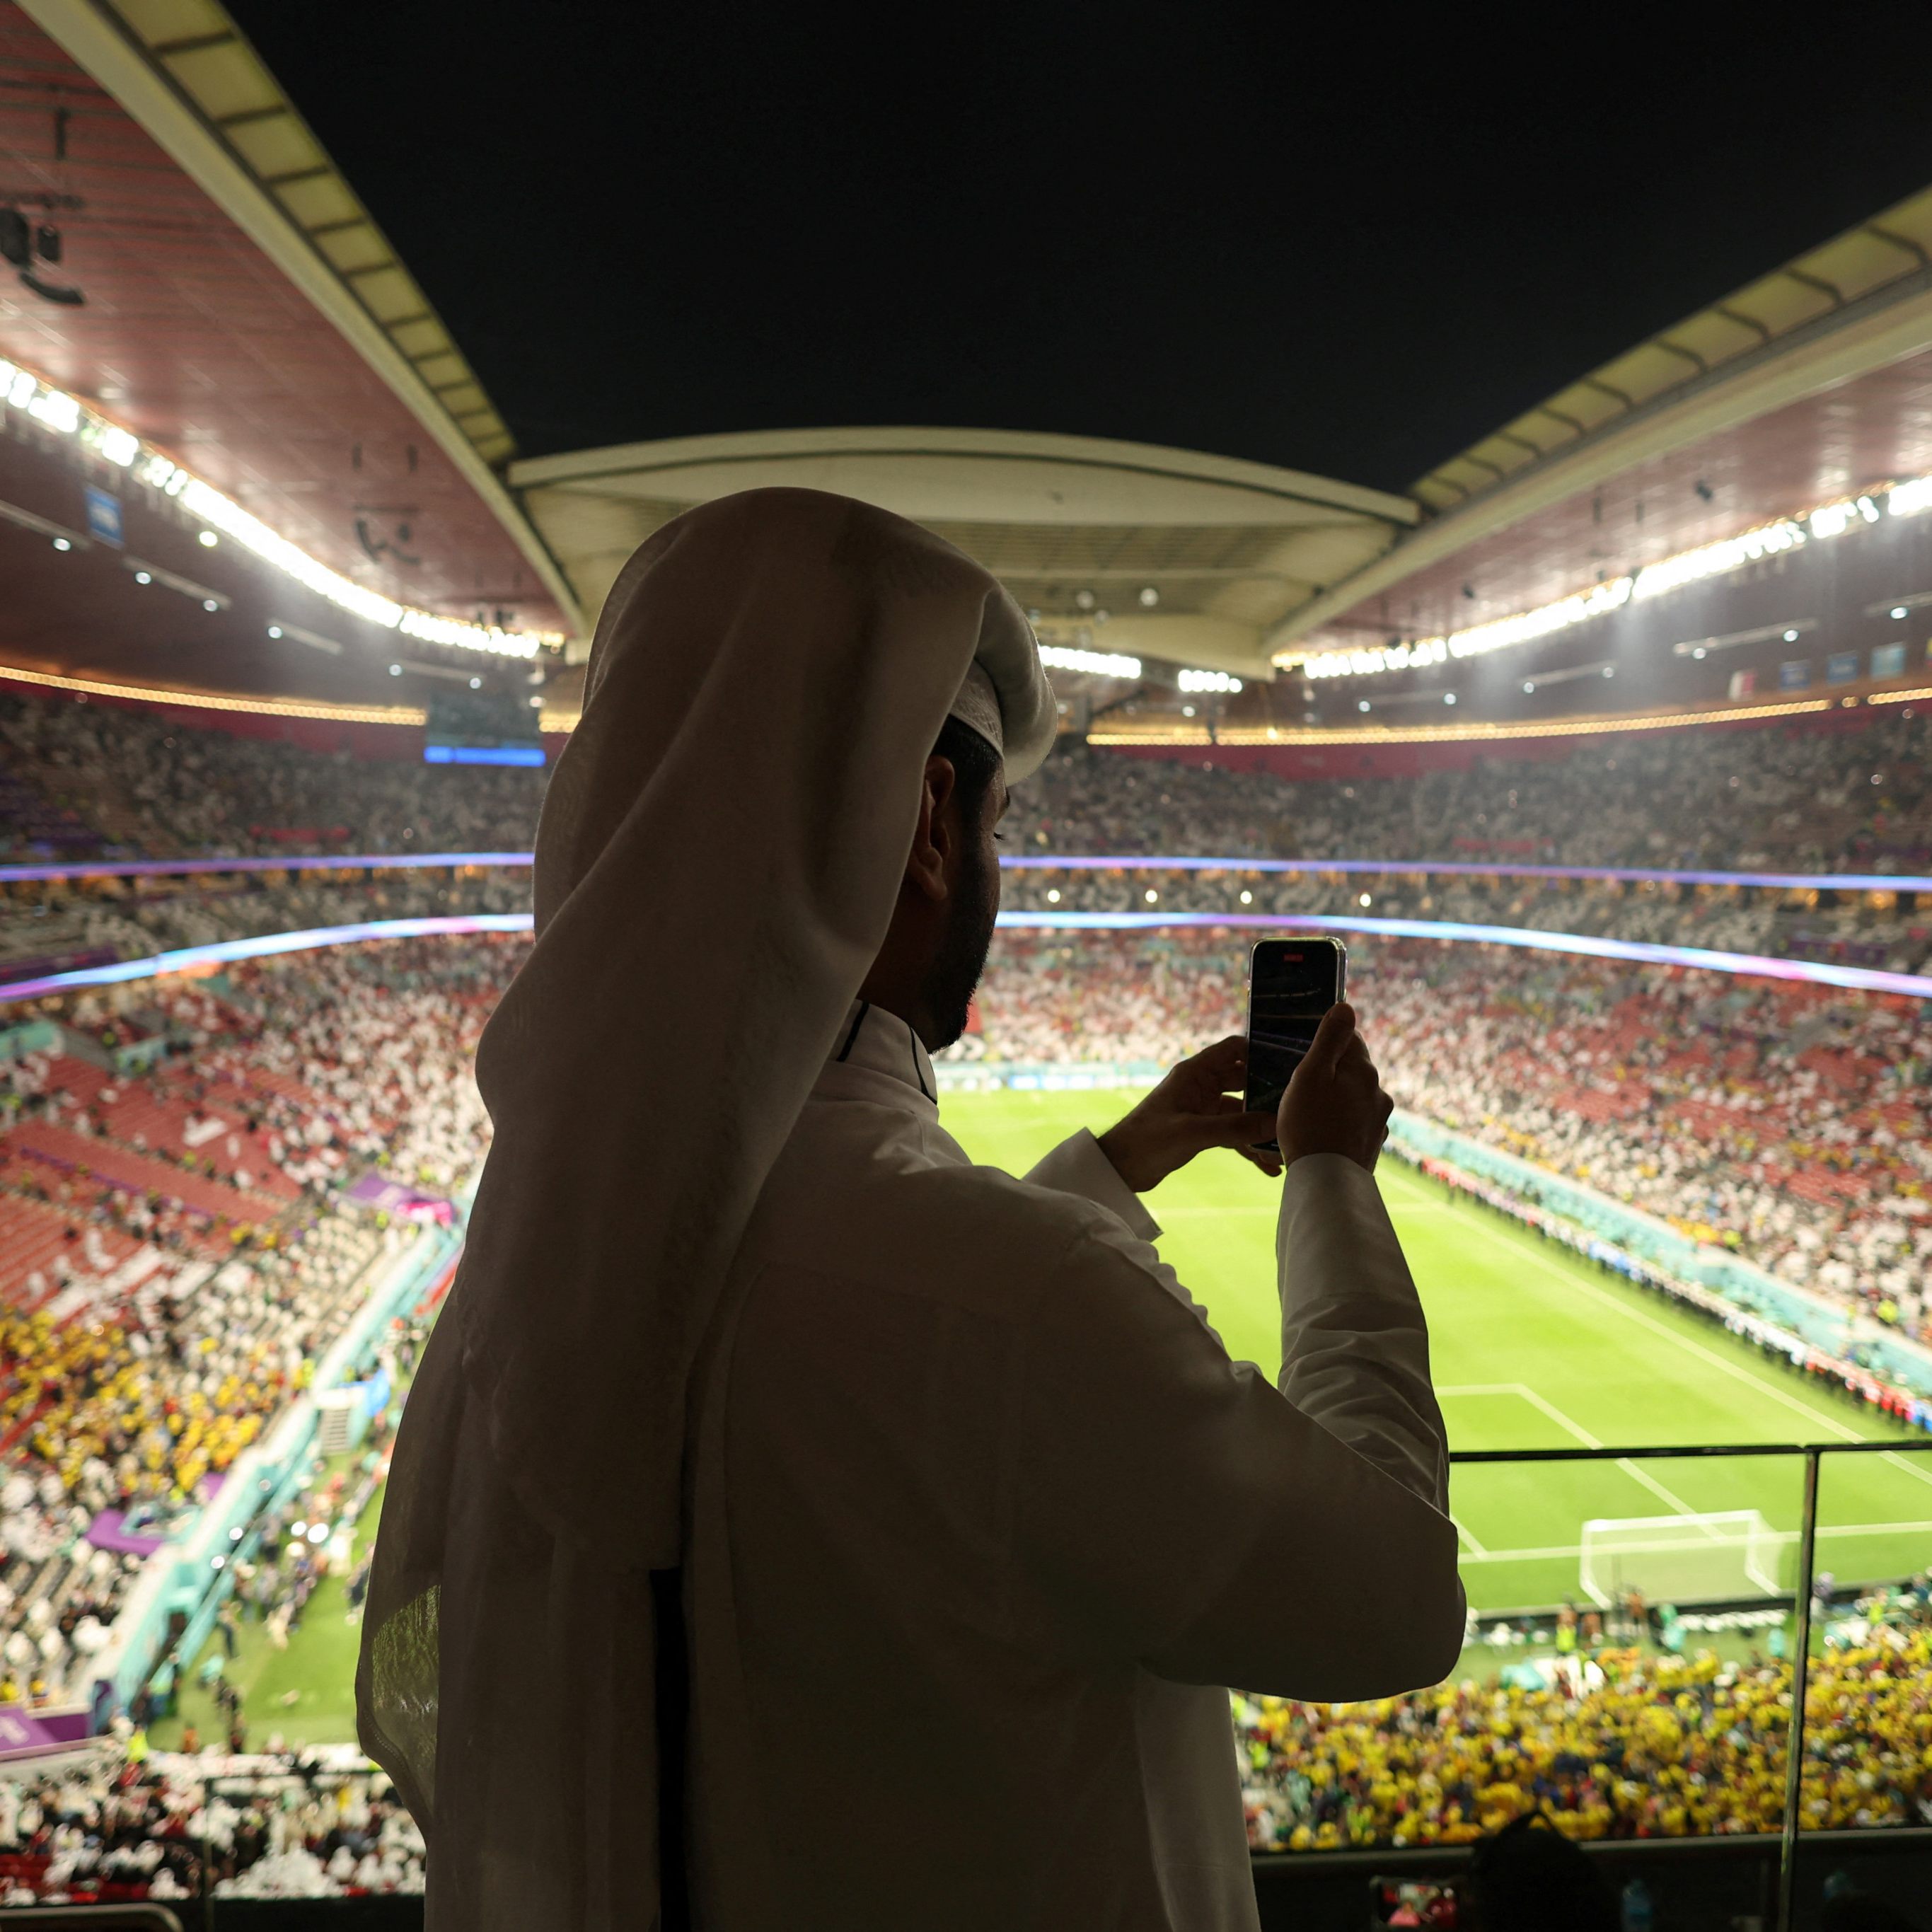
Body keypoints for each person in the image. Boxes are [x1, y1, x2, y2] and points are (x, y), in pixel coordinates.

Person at [358, 490, 1464, 1931]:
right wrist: (1328, 1181)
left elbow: (823, 1291)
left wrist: (1106, 1170)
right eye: (995, 818)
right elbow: (1391, 1593)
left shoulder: (541, 1276)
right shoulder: (1011, 1302)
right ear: (930, 822)